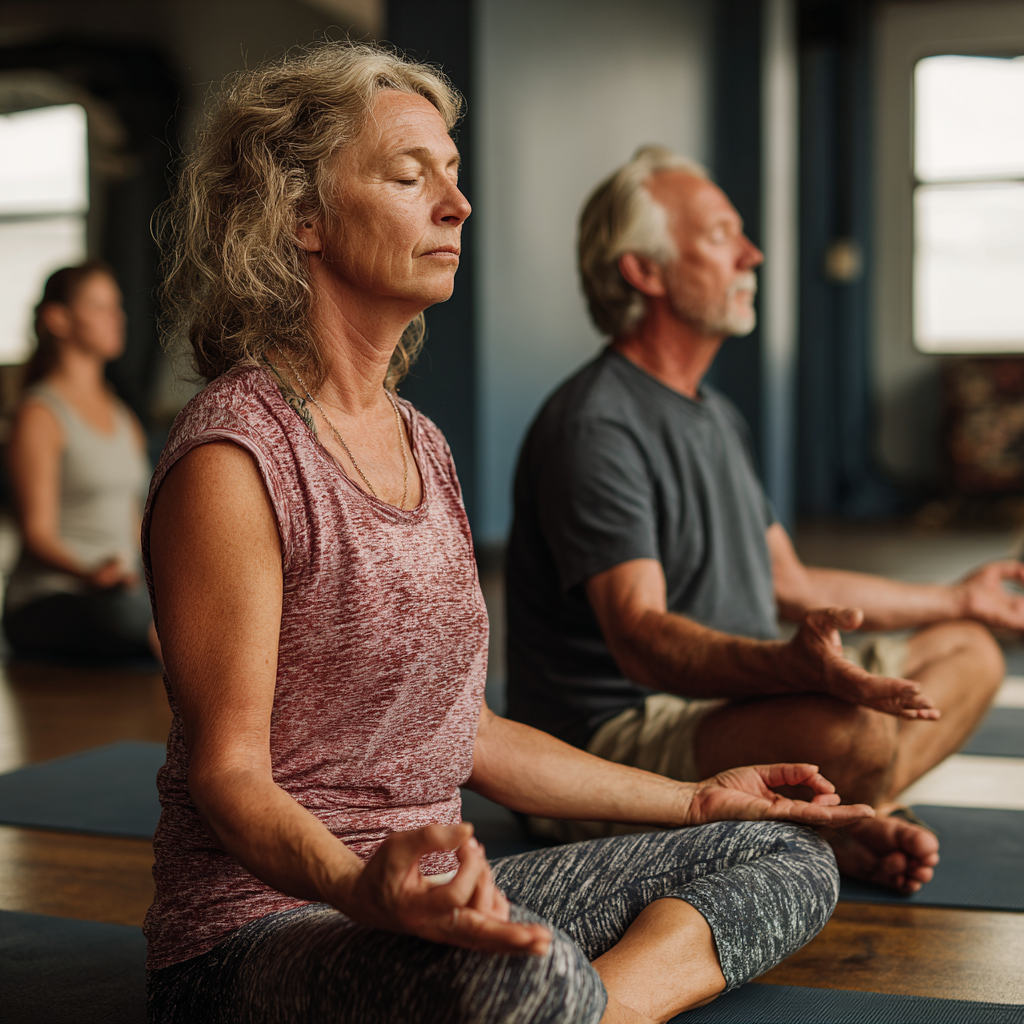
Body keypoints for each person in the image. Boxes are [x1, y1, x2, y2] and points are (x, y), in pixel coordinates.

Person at [143, 45, 872, 1024]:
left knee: (780, 850)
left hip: (435, 900)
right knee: (530, 974)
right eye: (410, 177)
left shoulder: (423, 443)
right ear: (298, 217)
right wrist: (360, 890)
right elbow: (226, 772)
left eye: (453, 175)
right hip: (260, 931)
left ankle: (586, 1014)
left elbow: (467, 734)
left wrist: (698, 799)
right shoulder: (233, 461)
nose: (456, 205)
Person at [505, 145, 1014, 895]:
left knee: (970, 651)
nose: (754, 253)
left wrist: (959, 599)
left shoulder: (715, 414)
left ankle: (836, 811)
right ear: (643, 271)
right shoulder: (595, 426)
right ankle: (845, 810)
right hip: (620, 736)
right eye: (720, 235)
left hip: (736, 704)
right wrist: (791, 668)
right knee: (854, 731)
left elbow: (790, 582)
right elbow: (642, 639)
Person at [3, 261, 157, 662]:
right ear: (58, 319)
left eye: (117, 306)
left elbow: (134, 523)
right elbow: (37, 533)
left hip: (121, 590)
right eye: (99, 306)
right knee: (130, 616)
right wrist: (90, 575)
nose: (117, 318)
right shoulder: (40, 413)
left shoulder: (123, 416)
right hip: (53, 597)